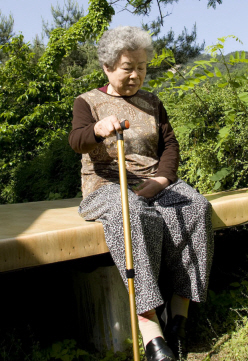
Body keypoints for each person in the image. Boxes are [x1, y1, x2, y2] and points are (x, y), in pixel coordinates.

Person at [69, 26, 214, 361]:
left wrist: (161, 181)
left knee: (196, 207)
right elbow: (76, 140)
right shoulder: (88, 101)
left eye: (142, 67)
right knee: (134, 215)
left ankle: (179, 316)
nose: (136, 75)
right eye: (127, 68)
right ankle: (152, 333)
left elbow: (170, 147)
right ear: (107, 67)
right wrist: (97, 129)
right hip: (108, 186)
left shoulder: (152, 103)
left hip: (154, 182)